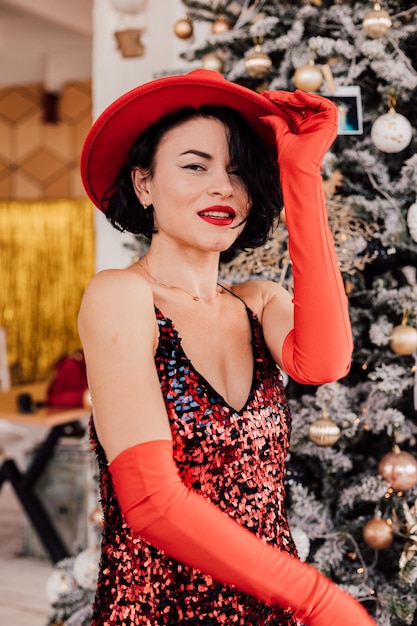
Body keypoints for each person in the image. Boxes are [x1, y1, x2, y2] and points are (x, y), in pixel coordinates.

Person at [78, 69, 376, 625]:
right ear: (143, 184)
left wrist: (303, 174)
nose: (223, 188)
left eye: (238, 172)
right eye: (195, 165)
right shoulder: (120, 296)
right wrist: (317, 598)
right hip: (161, 611)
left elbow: (326, 361)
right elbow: (150, 502)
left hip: (272, 611)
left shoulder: (258, 301)